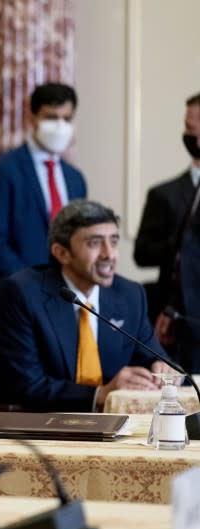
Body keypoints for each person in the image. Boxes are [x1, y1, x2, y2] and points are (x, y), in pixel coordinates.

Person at [0, 199, 169, 412]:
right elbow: (25, 386)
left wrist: (161, 370)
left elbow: (152, 356)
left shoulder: (130, 295)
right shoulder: (21, 293)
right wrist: (100, 394)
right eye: (95, 243)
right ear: (61, 252)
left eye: (113, 241)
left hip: (115, 426)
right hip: (41, 428)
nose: (109, 254)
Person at [0, 83, 87, 306]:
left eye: (66, 118)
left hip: (62, 298)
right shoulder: (3, 170)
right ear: (32, 118)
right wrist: (32, 285)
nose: (59, 125)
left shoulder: (75, 178)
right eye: (51, 117)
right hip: (14, 296)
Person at [135, 93, 200, 369]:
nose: (188, 133)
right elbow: (142, 253)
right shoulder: (165, 194)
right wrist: (183, 242)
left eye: (192, 126)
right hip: (176, 321)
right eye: (187, 126)